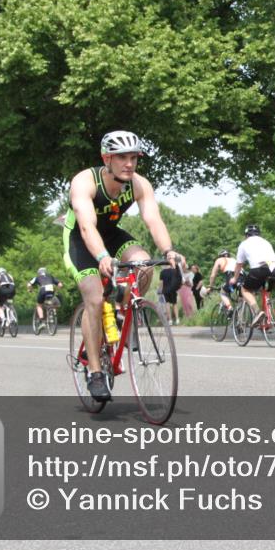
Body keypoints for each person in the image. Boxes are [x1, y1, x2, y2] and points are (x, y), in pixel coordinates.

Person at [63, 130, 181, 402]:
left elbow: (153, 220)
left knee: (144, 264)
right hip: (80, 239)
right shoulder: (85, 181)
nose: (129, 163)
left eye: (134, 157)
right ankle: (94, 371)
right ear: (107, 158)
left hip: (112, 234)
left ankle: (121, 311)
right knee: (93, 298)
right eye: (122, 158)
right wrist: (102, 256)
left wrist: (169, 250)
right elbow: (86, 225)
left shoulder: (139, 184)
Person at [231, 225, 275, 327]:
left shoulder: (244, 244)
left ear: (246, 235)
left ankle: (258, 312)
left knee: (245, 290)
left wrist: (235, 278)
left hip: (260, 268)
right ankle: (267, 322)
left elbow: (239, 265)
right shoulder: (265, 242)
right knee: (266, 291)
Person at [159, 253, 183, 325]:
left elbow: (161, 283)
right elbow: (180, 280)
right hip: (173, 289)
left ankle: (170, 320)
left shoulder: (162, 272)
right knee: (175, 304)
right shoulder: (174, 271)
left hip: (165, 290)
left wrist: (160, 290)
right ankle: (177, 319)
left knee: (167, 304)